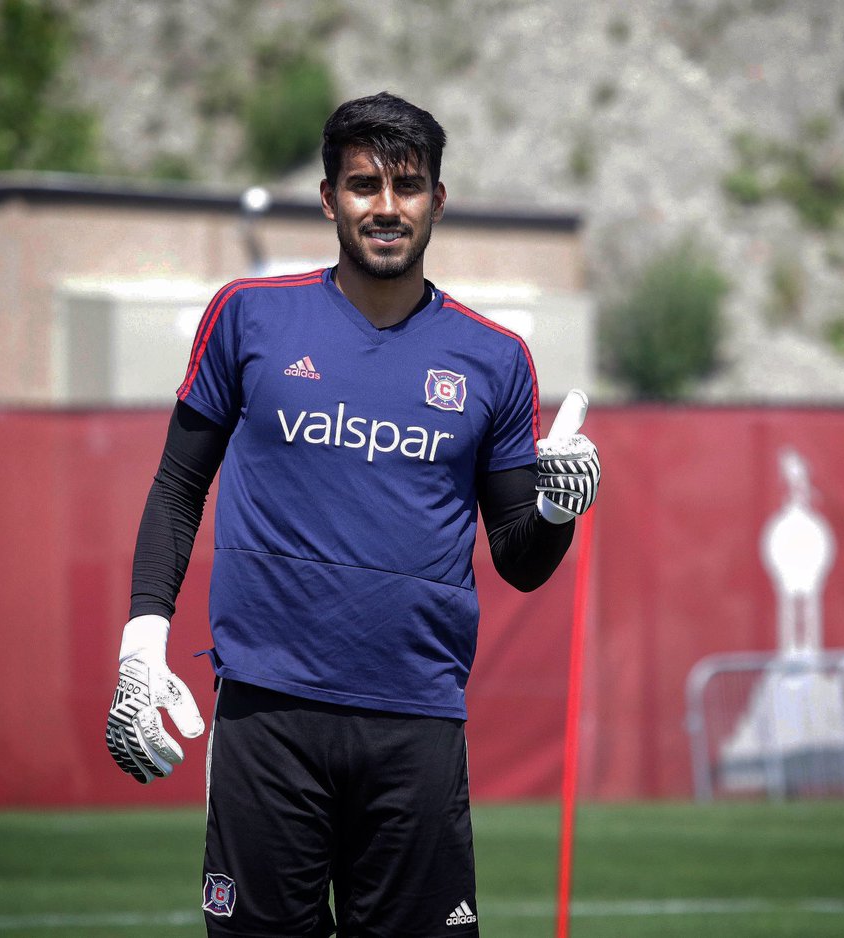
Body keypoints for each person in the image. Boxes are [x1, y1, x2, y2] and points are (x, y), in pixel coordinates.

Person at [104, 91, 601, 938]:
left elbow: (520, 559)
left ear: (436, 201)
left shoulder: (496, 359)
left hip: (417, 722)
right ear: (330, 198)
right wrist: (140, 645)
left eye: (406, 186)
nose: (386, 206)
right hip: (268, 718)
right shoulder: (247, 316)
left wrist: (556, 507)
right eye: (364, 184)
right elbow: (177, 487)